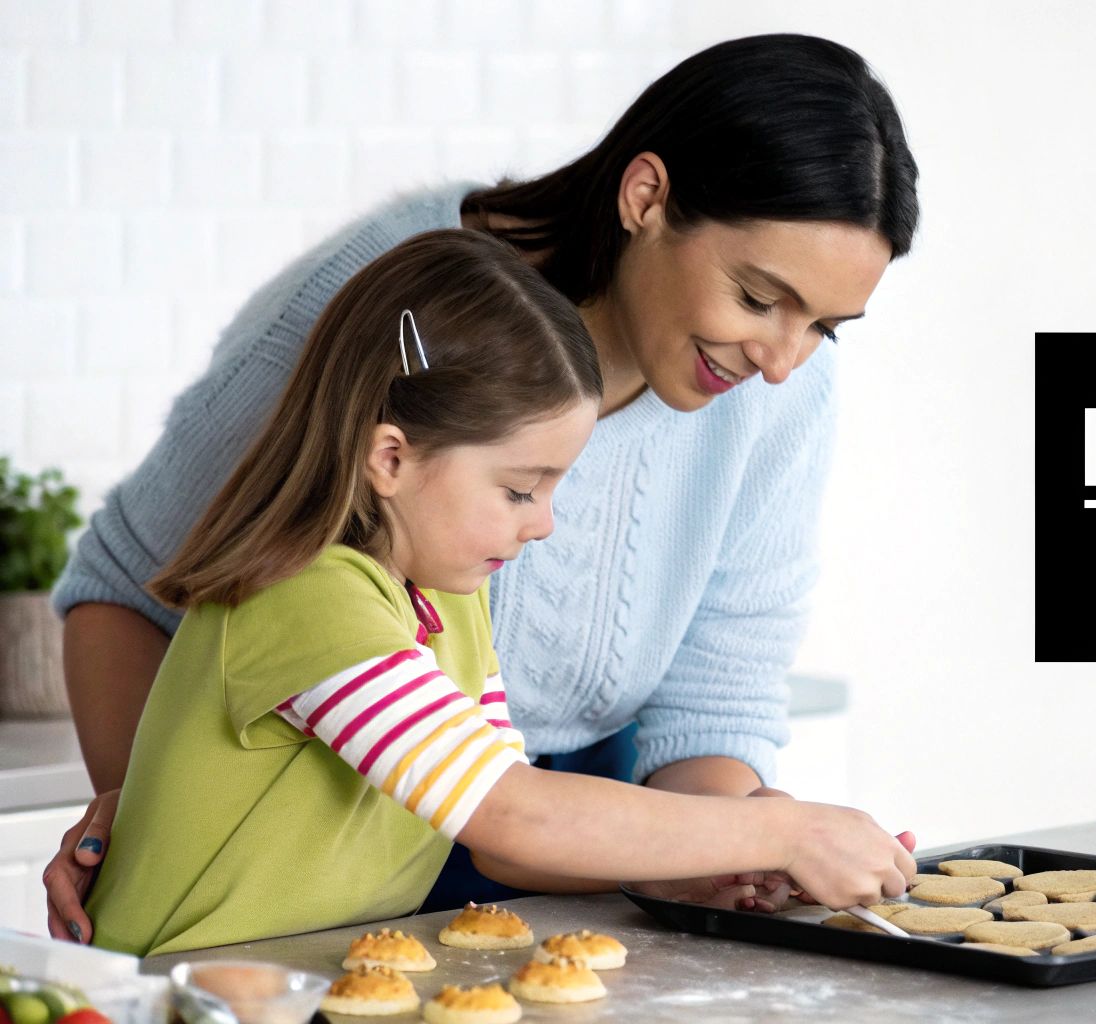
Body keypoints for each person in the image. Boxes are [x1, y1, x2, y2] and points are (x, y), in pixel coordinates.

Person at [44, 32, 920, 943]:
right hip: (293, 886)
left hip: (528, 822)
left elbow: (618, 758)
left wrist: (730, 854)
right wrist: (148, 812)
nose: (783, 364)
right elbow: (509, 811)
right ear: (646, 196)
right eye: (756, 298)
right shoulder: (393, 324)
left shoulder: (453, 608)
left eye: (826, 325)